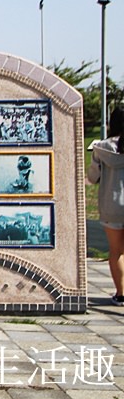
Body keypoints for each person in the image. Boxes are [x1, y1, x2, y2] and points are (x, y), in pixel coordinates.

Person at [87, 107, 124, 306]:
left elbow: (93, 177)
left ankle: (120, 293)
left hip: (112, 206)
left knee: (116, 250)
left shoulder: (101, 148)